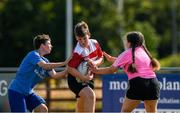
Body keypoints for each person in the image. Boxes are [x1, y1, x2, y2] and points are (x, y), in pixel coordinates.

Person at [90, 31, 161, 113]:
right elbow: (131, 61)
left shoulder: (127, 53)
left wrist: (96, 70)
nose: (125, 43)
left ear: (129, 43)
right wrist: (114, 60)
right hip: (153, 84)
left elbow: (111, 70)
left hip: (138, 83)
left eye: (125, 41)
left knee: (125, 111)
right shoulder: (145, 52)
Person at [8, 34, 69, 112]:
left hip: (28, 93)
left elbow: (55, 75)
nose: (51, 46)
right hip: (17, 91)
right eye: (49, 43)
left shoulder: (46, 61)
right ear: (42, 45)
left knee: (43, 109)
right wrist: (64, 63)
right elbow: (44, 66)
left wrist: (68, 70)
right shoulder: (33, 55)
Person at [67, 21, 103, 112]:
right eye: (79, 39)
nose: (82, 42)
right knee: (90, 95)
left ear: (89, 35)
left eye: (84, 38)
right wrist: (83, 77)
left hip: (88, 77)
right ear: (76, 38)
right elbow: (70, 69)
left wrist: (95, 63)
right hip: (75, 79)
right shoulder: (78, 52)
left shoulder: (95, 43)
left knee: (81, 106)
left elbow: (101, 57)